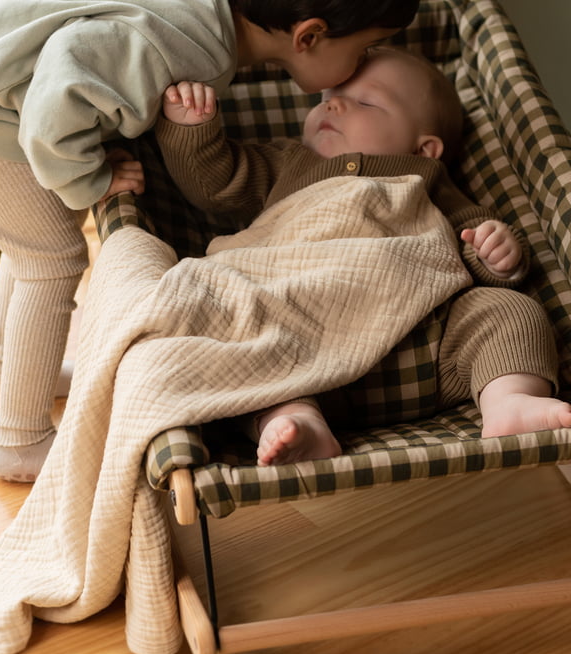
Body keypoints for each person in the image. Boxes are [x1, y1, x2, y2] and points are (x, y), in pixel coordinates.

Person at [0, 0, 420, 481]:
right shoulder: (189, 45)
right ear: (309, 36)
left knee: (28, 244)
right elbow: (62, 84)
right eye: (364, 50)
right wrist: (91, 178)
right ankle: (20, 439)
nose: (360, 67)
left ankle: (0, 373)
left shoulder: (204, 19)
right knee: (53, 259)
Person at [155, 46, 571, 466]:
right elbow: (215, 182)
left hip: (424, 343)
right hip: (301, 348)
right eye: (327, 97)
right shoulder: (288, 164)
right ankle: (297, 418)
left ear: (423, 148)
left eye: (365, 101)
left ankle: (508, 401)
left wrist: (497, 252)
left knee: (508, 311)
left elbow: (471, 239)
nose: (333, 103)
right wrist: (193, 127)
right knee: (236, 334)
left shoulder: (425, 177)